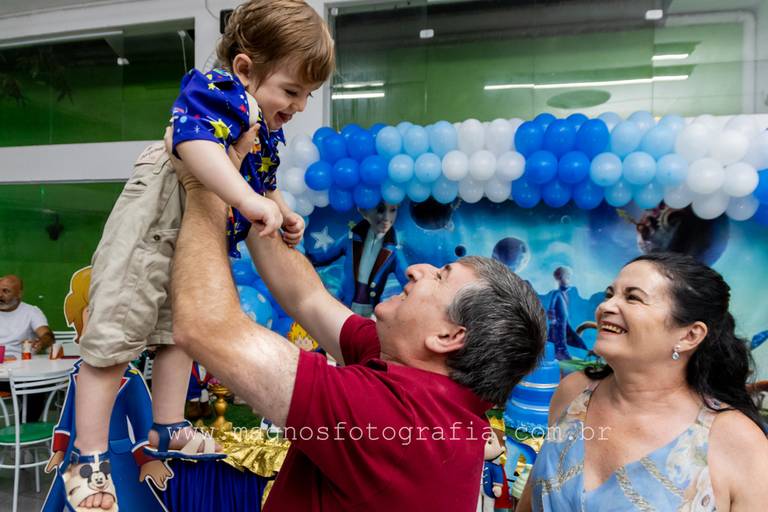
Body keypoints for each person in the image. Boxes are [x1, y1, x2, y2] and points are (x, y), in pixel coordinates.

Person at [166, 129, 547, 510]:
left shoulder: (397, 420)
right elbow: (307, 297)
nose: (416, 270)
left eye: (440, 276)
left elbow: (205, 327)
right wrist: (242, 184)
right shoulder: (420, 379)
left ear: (448, 336)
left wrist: (202, 185)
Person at [61, 1, 334, 510]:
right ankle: (88, 455)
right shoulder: (218, 89)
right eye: (292, 90)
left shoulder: (264, 126)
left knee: (179, 330)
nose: (299, 105)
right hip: (156, 218)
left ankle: (168, 426)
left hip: (193, 228)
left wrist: (281, 209)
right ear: (245, 68)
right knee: (118, 332)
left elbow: (262, 180)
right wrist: (247, 200)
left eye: (308, 95)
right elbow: (193, 145)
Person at [518, 252, 768, 511]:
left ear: (690, 335)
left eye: (633, 297)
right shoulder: (574, 391)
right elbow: (530, 502)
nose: (606, 307)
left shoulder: (738, 441)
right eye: (609, 295)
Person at [307, 201, 409, 317]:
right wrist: (300, 254)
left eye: (392, 210)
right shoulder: (350, 239)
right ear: (364, 212)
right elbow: (324, 256)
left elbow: (407, 280)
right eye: (380, 210)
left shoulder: (394, 251)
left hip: (371, 310)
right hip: (344, 305)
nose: (387, 218)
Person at [0, 274, 54, 359]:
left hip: (21, 361)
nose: (0, 295)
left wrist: (41, 342)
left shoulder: (31, 312)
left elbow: (47, 336)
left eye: (6, 291)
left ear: (19, 294)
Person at [545, 266, 588, 360]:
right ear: (559, 278)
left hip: (563, 321)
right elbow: (551, 307)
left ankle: (561, 352)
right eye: (567, 277)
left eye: (569, 278)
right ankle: (557, 353)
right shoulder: (556, 293)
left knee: (562, 336)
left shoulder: (565, 294)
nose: (569, 280)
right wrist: (553, 319)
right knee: (556, 336)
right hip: (557, 322)